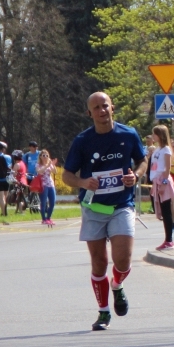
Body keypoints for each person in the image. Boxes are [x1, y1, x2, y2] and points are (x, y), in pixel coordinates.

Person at [62, 92, 147, 331]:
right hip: (93, 207)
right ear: (89, 113)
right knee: (99, 262)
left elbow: (142, 160)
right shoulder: (82, 141)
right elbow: (67, 175)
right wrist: (83, 182)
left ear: (112, 108)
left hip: (122, 205)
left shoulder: (128, 134)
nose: (102, 111)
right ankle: (103, 311)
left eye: (105, 106)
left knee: (123, 260)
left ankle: (117, 285)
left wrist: (135, 175)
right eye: (96, 108)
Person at [148, 125, 174, 250]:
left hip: (163, 181)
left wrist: (164, 184)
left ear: (160, 135)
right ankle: (167, 239)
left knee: (166, 211)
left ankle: (169, 240)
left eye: (155, 134)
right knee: (162, 211)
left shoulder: (166, 150)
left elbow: (167, 168)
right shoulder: (157, 149)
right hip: (156, 181)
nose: (153, 136)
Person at [37, 150, 57, 226]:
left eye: (47, 155)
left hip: (51, 184)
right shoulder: (38, 164)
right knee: (43, 202)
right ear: (40, 157)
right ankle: (44, 219)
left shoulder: (49, 164)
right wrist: (46, 166)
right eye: (43, 155)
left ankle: (48, 218)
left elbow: (55, 172)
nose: (45, 157)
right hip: (43, 185)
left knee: (52, 202)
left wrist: (53, 165)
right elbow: (39, 172)